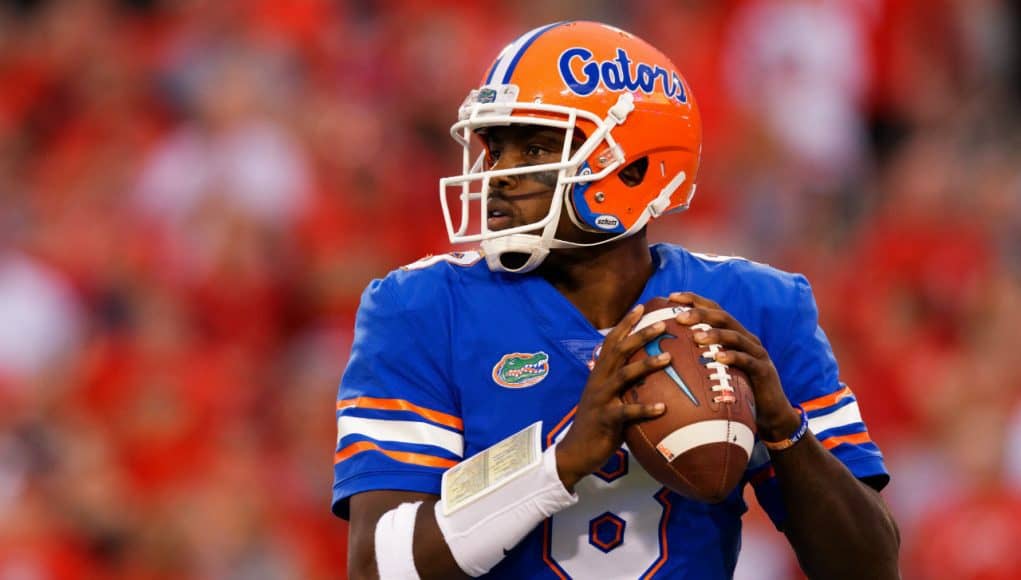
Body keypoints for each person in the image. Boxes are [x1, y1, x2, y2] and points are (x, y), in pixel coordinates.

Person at [333, 20, 899, 579]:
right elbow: (378, 567)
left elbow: (872, 567)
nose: (499, 175)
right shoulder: (422, 308)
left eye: (532, 147)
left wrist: (784, 430)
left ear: (632, 168)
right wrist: (560, 464)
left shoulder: (756, 308)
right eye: (495, 148)